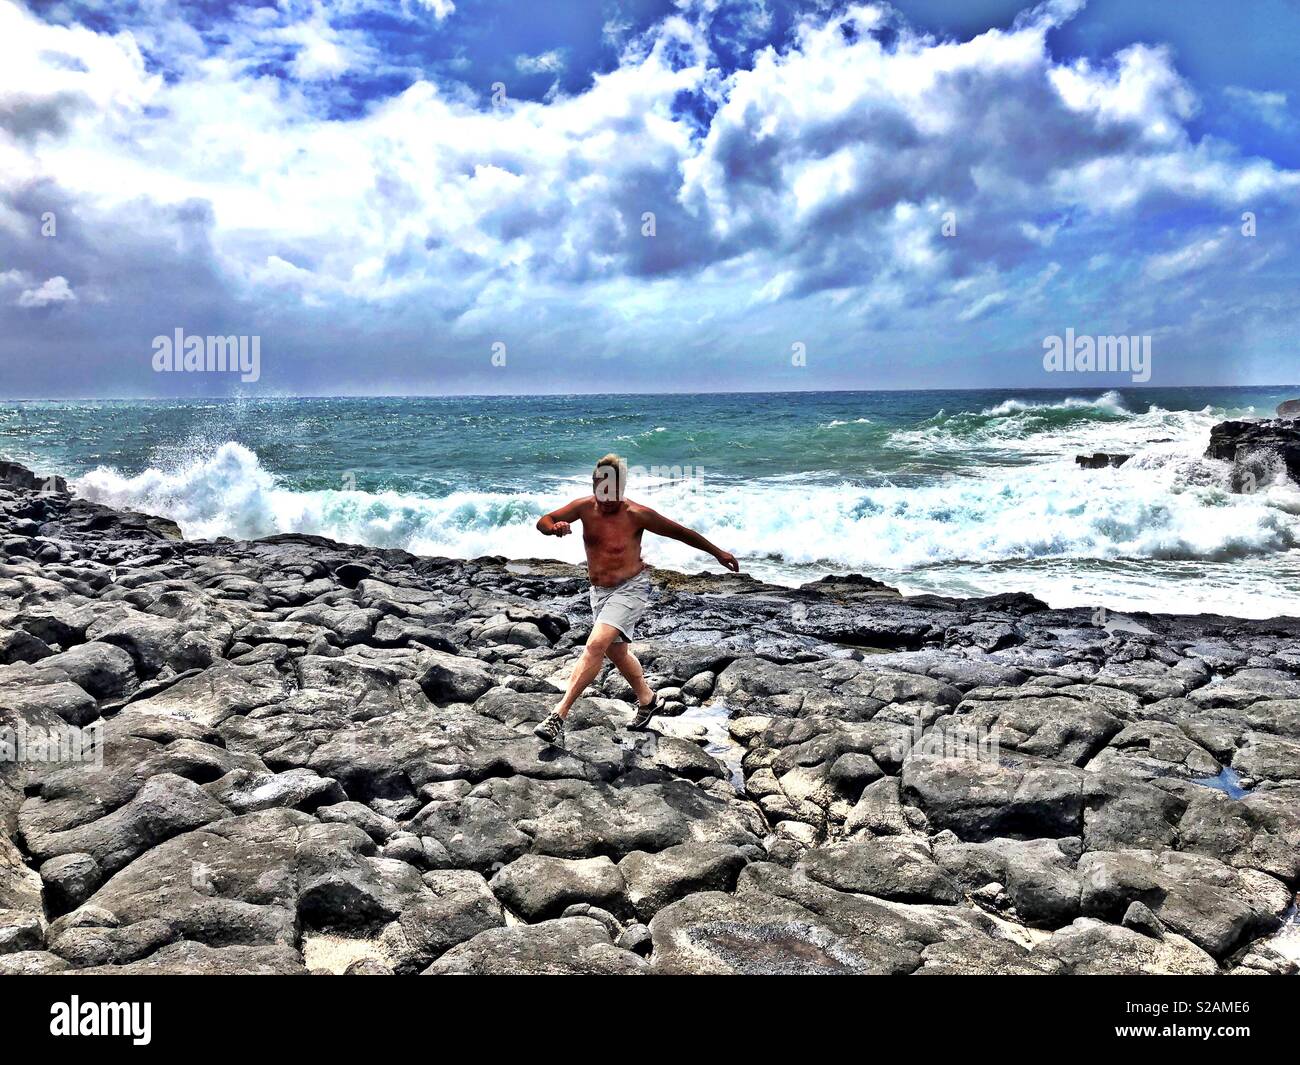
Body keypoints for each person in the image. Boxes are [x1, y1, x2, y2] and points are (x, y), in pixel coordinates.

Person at [531, 453, 739, 747]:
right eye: (600, 487)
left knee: (595, 645)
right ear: (594, 483)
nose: (606, 496)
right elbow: (544, 520)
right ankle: (648, 698)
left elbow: (681, 533)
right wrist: (553, 528)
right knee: (617, 653)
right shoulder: (583, 508)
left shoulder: (636, 514)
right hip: (598, 592)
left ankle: (558, 716)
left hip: (631, 589)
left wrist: (719, 553)